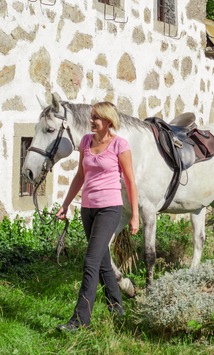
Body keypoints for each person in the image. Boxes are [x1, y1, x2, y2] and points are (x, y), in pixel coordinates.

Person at [55, 101, 139, 331]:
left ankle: (80, 320)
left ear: (108, 121)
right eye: (91, 117)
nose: (91, 121)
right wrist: (66, 204)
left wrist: (135, 216)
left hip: (109, 209)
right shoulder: (85, 142)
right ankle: (116, 307)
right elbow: (80, 175)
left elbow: (130, 181)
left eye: (96, 118)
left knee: (90, 261)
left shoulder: (120, 145)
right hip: (88, 209)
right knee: (102, 260)